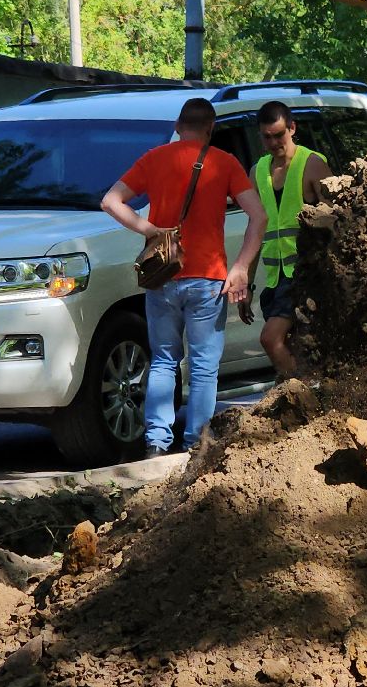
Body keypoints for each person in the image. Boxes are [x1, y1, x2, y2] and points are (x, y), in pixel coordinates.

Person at [102, 97, 264, 453]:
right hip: (208, 278)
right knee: (204, 366)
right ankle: (197, 444)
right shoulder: (225, 163)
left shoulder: (154, 159)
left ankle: (156, 443)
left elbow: (110, 201)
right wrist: (240, 268)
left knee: (163, 359)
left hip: (163, 275)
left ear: (177, 126)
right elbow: (259, 216)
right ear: (211, 129)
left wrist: (149, 229)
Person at [240, 101, 330, 378]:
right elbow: (255, 229)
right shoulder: (258, 171)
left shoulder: (312, 164)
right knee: (296, 346)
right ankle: (308, 396)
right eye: (267, 137)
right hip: (275, 279)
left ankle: (305, 395)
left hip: (305, 276)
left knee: (271, 339)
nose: (273, 142)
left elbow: (337, 222)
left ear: (292, 128)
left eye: (279, 135)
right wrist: (247, 281)